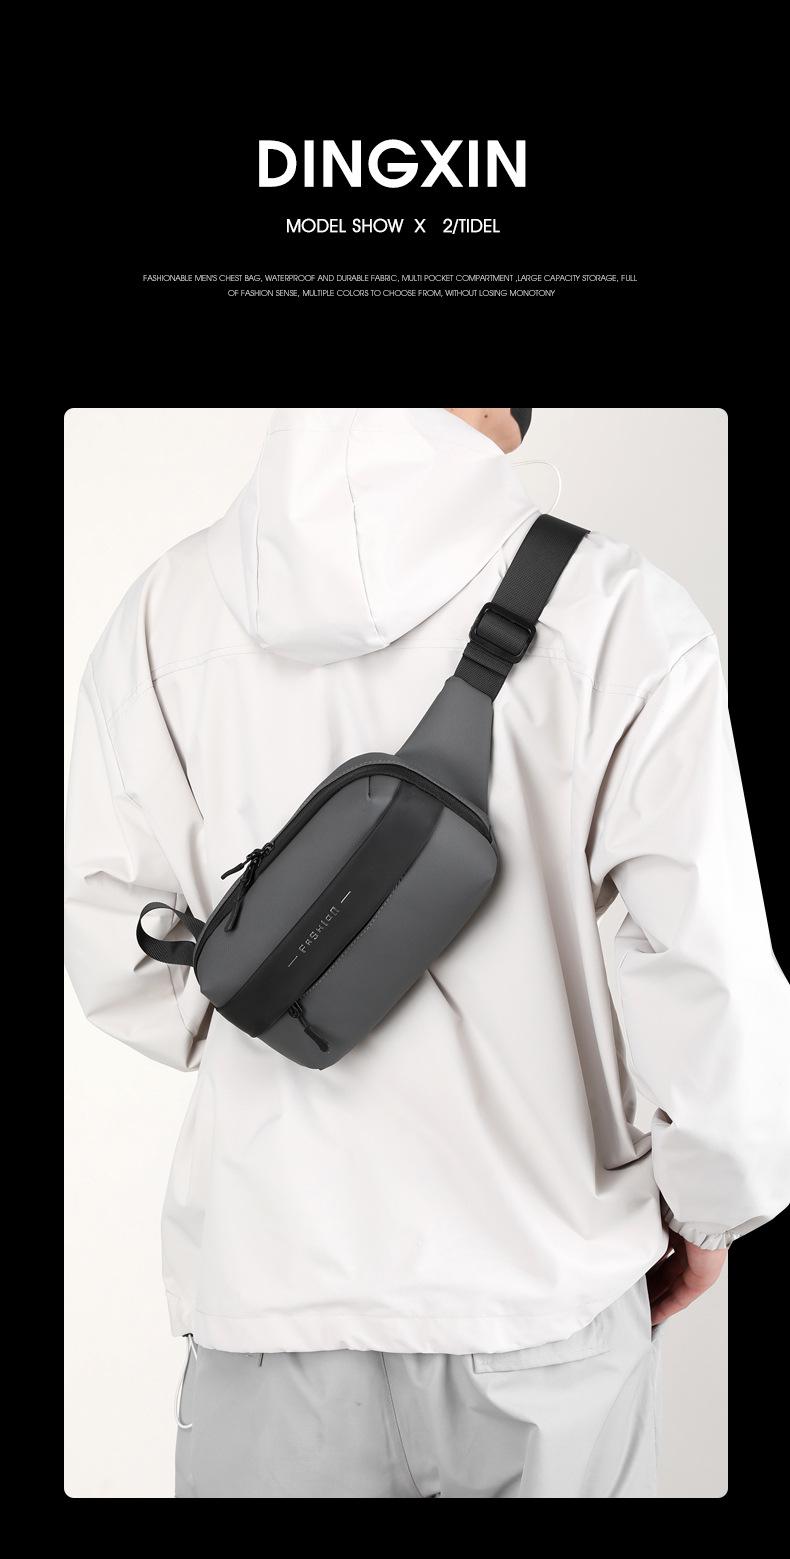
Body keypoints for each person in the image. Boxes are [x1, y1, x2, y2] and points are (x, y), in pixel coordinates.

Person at [64, 408, 789, 1499]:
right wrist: (708, 1206)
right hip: (542, 1296)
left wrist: (277, 1007)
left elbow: (118, 946)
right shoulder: (617, 610)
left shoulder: (164, 613)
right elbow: (705, 969)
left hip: (271, 1297)